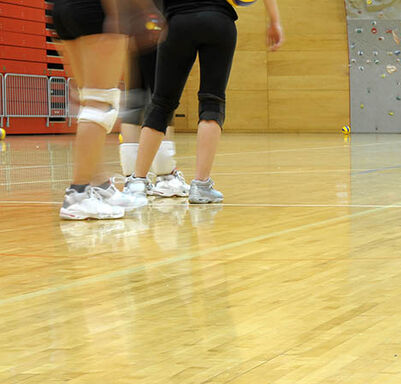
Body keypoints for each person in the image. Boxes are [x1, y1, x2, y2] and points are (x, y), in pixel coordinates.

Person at [126, 0, 284, 204]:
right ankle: (201, 186)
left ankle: (137, 182)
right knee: (212, 101)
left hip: (178, 22)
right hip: (219, 21)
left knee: (161, 103)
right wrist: (274, 21)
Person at [53, 0, 149, 220]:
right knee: (101, 102)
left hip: (63, 9)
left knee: (90, 100)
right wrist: (121, 15)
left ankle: (100, 185)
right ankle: (78, 194)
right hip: (98, 10)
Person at [118, 2, 190, 199]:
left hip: (134, 27)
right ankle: (166, 177)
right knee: (163, 100)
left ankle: (132, 178)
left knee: (135, 98)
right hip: (155, 23)